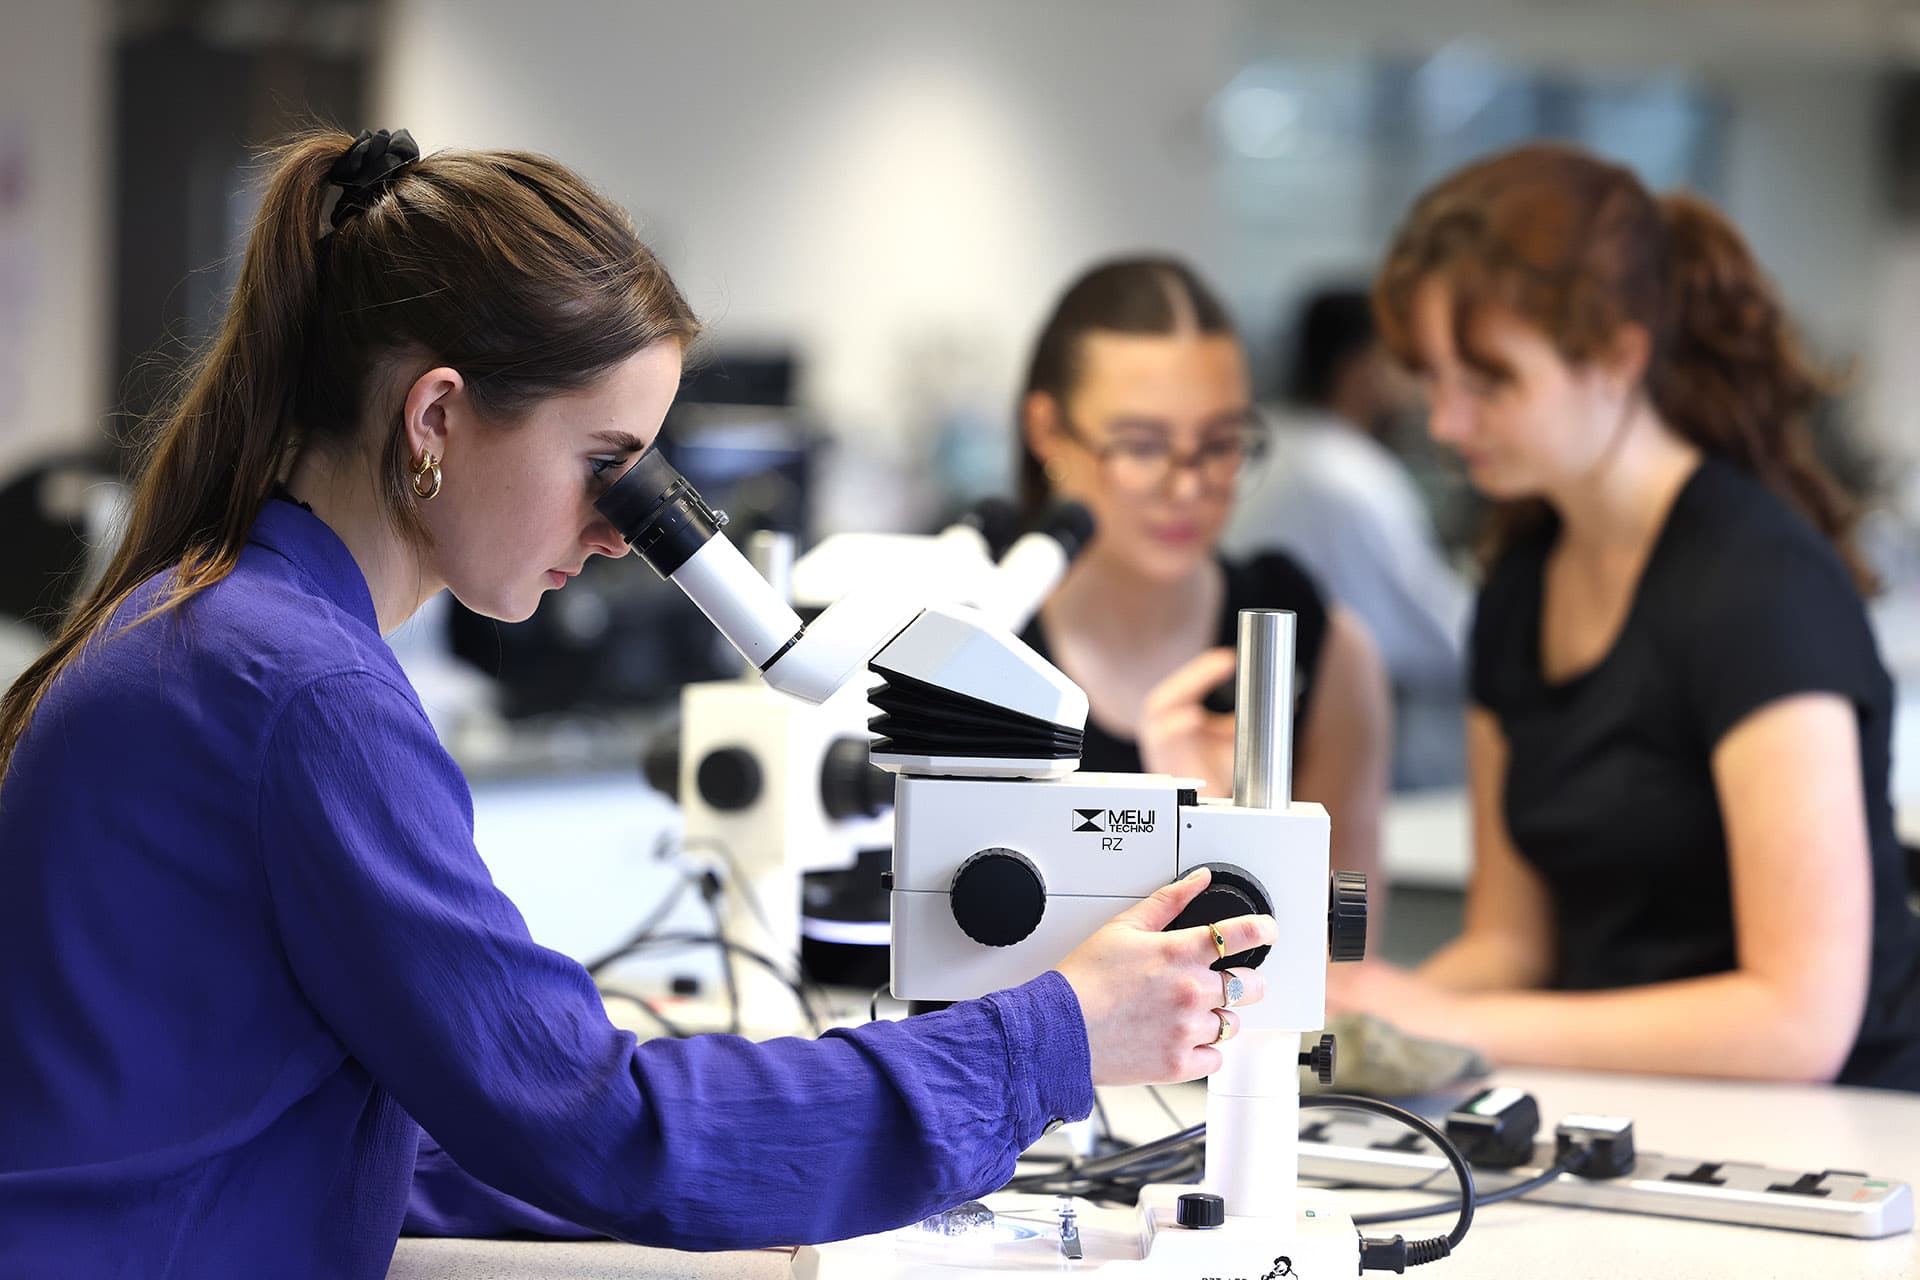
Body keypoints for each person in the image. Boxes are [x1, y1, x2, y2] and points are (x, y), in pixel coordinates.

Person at [0, 128, 1280, 1278]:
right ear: (437, 415)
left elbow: (387, 1121)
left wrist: (792, 1161)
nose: (622, 533)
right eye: (605, 467)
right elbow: (599, 1126)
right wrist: (1052, 1036)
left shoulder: (222, 626)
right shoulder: (304, 690)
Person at [1328, 142, 1920, 1090]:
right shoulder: (1521, 581)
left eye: (1488, 383)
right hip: (1629, 1109)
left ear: (1617, 357)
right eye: (1434, 381)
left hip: (1841, 1132)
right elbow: (1509, 945)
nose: (1446, 424)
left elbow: (1798, 1018)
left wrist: (1455, 1019)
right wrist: (1356, 1016)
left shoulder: (1757, 583)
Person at [1015, 256, 1391, 908]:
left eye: (1219, 444)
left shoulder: (1321, 647)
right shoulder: (974, 639)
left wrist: (1235, 834)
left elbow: (1340, 969)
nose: (1187, 487)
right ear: (1048, 430)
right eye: (1141, 446)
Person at [1224, 287, 1470, 697]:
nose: (1418, 381)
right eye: (1404, 360)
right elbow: (1437, 624)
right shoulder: (1354, 474)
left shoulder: (1263, 440)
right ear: (1361, 365)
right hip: (1334, 691)